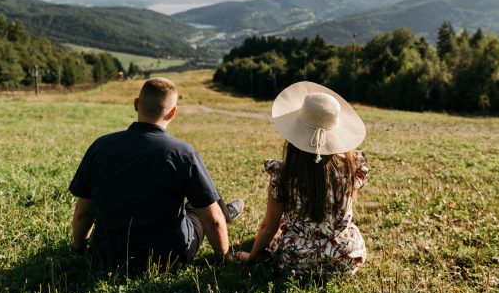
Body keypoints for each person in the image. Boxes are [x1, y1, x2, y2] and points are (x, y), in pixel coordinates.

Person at [69, 77, 243, 269]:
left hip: (107, 254)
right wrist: (225, 257)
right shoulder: (183, 153)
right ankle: (226, 212)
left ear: (136, 104)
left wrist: (78, 249)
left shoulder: (100, 147)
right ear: (173, 112)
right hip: (167, 257)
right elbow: (212, 219)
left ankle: (225, 211)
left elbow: (82, 213)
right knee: (201, 203)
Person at [234, 81, 369, 275]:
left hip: (296, 261)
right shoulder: (352, 167)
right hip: (343, 257)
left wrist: (250, 257)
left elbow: (268, 227)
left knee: (281, 230)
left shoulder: (283, 176)